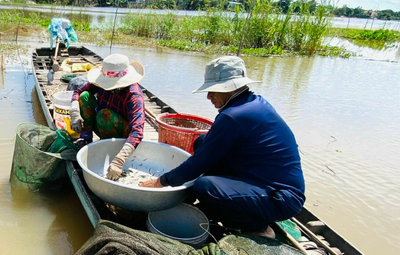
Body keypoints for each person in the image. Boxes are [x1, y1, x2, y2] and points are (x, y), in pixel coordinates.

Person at [140, 56, 305, 238]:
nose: (209, 96)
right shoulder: (251, 103)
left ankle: (258, 227)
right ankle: (231, 202)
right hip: (261, 179)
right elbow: (206, 151)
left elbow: (199, 163)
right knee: (202, 142)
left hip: (281, 198)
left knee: (205, 186)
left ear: (231, 88)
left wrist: (160, 182)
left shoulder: (234, 116)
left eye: (213, 90)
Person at [69, 54, 146, 180]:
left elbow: (137, 131)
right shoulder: (100, 83)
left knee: (104, 115)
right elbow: (78, 92)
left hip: (121, 135)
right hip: (101, 122)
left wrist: (120, 160)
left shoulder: (133, 95)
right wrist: (74, 113)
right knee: (85, 96)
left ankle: (109, 148)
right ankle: (86, 139)